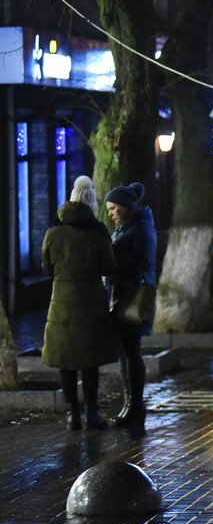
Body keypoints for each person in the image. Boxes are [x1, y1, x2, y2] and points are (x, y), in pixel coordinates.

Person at [42, 176, 119, 431]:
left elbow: (46, 267)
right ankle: (92, 413)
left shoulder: (54, 232)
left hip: (61, 303)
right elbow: (109, 266)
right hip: (91, 303)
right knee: (89, 361)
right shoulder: (97, 232)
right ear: (92, 202)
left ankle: (72, 414)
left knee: (66, 360)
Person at [105, 181, 157, 438]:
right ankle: (130, 405)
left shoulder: (141, 226)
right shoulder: (127, 226)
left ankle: (135, 406)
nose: (111, 213)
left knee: (131, 352)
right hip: (121, 295)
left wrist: (113, 253)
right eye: (109, 209)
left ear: (126, 207)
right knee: (125, 353)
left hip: (133, 297)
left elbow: (143, 263)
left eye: (114, 208)